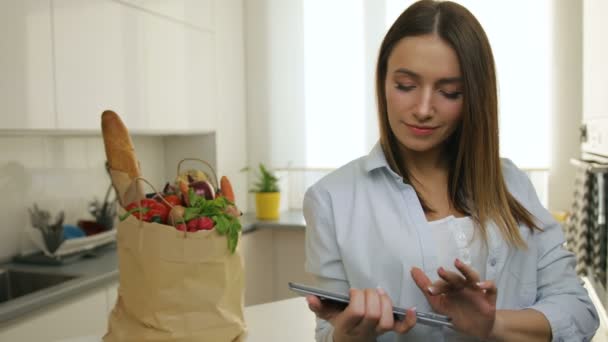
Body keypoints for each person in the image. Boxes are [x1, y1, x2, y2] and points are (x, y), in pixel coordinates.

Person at [302, 1, 600, 341]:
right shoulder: (330, 199)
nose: (424, 109)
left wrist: (491, 326)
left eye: (449, 92)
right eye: (404, 86)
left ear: (474, 96)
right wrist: (348, 336)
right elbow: (328, 330)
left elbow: (579, 310)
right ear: (382, 82)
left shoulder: (513, 184)